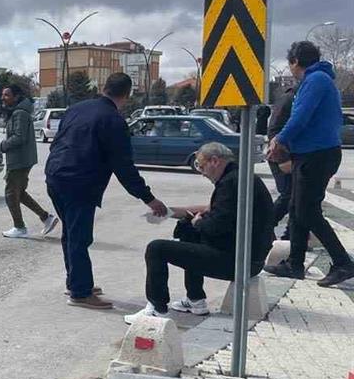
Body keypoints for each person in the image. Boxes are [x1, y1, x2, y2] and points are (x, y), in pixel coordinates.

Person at [45, 72, 167, 309]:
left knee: (71, 234)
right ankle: (80, 293)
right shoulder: (113, 120)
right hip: (79, 183)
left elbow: (57, 142)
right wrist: (149, 198)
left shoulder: (76, 109)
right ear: (127, 94)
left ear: (104, 88)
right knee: (79, 237)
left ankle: (76, 281)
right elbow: (123, 167)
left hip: (55, 176)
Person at [125, 142, 274, 323]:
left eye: (202, 167)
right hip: (248, 258)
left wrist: (198, 222)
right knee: (189, 231)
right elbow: (211, 209)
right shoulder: (240, 177)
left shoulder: (230, 184)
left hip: (239, 263)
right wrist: (170, 212)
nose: (202, 173)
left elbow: (214, 227)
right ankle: (195, 299)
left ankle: (157, 308)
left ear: (214, 161)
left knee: (156, 249)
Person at [264, 41, 353, 287]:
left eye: (290, 64)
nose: (290, 69)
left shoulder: (316, 81)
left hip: (317, 154)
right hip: (310, 154)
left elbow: (300, 117)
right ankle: (295, 264)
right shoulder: (318, 80)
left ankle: (343, 263)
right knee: (296, 208)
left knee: (307, 211)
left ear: (295, 62)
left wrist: (280, 139)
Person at [0, 84, 58, 238]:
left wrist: (4, 145)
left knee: (10, 194)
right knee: (20, 193)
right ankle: (46, 218)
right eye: (3, 95)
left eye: (6, 95)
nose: (3, 98)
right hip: (22, 159)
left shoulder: (20, 113)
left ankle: (19, 227)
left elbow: (19, 137)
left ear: (16, 97)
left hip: (19, 161)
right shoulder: (19, 112)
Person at [265, 84, 294, 239]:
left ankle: (291, 234)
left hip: (293, 156)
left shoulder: (298, 98)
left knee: (298, 197)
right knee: (289, 195)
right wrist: (283, 158)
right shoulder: (289, 99)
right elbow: (274, 130)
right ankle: (264, 227)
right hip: (281, 156)